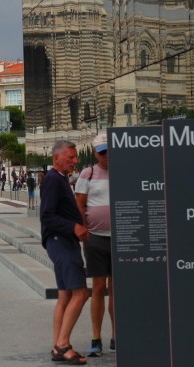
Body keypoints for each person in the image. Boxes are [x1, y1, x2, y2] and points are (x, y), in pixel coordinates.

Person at [40, 139, 90, 365]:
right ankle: (62, 345)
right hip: (61, 242)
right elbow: (47, 216)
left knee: (65, 295)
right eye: (70, 157)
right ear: (56, 157)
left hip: (60, 242)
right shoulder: (53, 180)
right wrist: (74, 226)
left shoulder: (58, 180)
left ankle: (57, 343)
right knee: (80, 293)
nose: (75, 161)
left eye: (75, 157)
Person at [75, 131, 115, 357]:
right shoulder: (87, 174)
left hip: (120, 238)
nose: (106, 156)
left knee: (117, 290)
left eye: (109, 151)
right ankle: (96, 337)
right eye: (102, 152)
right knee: (98, 288)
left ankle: (117, 337)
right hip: (96, 238)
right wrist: (83, 227)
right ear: (95, 153)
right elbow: (79, 204)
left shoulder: (123, 172)